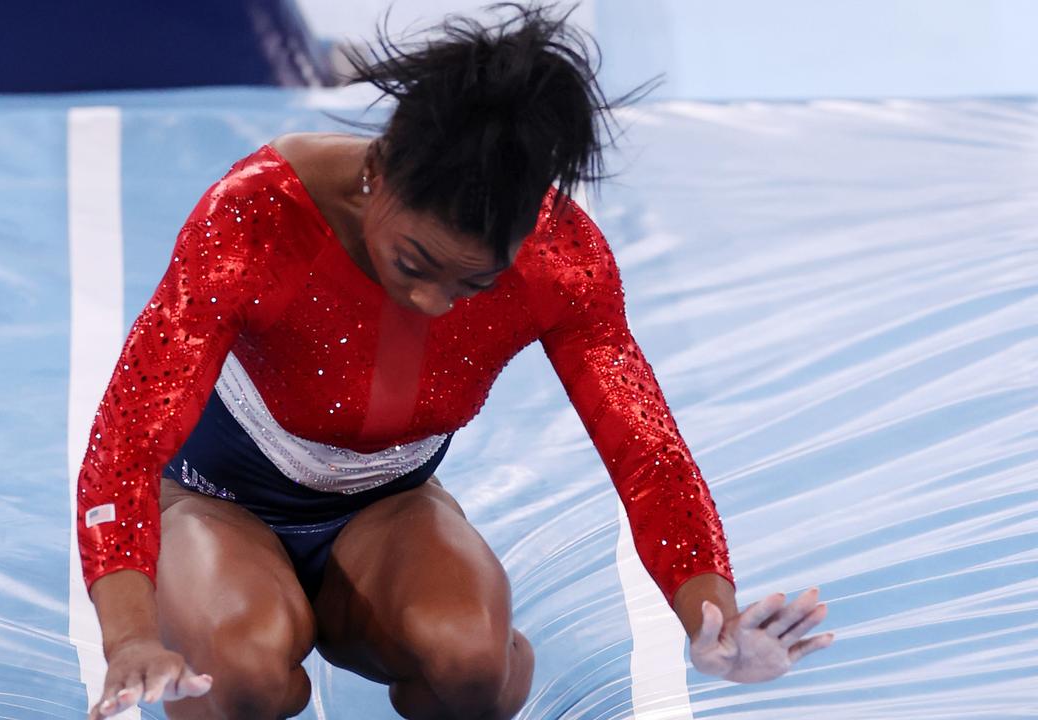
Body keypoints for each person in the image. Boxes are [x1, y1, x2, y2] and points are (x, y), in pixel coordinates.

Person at [77, 5, 833, 718]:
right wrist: (132, 634)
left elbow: (647, 452)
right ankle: (211, 628)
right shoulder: (256, 219)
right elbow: (126, 441)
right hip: (216, 502)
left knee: (469, 662)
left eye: (476, 283)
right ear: (384, 165)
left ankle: (481, 657)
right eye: (414, 261)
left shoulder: (561, 260)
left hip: (384, 511)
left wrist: (714, 619)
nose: (435, 302)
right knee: (241, 671)